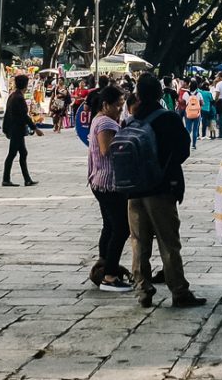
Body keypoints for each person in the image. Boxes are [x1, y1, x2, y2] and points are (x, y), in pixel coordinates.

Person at [127, 73, 206, 309]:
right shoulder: (168, 119)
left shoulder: (131, 120)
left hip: (134, 190)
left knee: (139, 241)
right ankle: (179, 290)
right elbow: (183, 151)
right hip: (161, 188)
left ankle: (142, 289)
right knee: (168, 241)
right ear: (161, 94)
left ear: (138, 95)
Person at [89, 84, 133, 291]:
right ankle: (109, 275)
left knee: (110, 225)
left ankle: (103, 263)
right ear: (106, 104)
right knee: (121, 228)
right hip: (109, 183)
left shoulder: (99, 119)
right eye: (117, 105)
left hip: (99, 181)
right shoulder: (106, 122)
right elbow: (107, 150)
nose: (120, 109)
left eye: (122, 105)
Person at [2, 73, 42, 187]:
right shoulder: (19, 98)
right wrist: (35, 128)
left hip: (14, 129)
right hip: (17, 129)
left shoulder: (13, 96)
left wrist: (5, 129)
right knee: (12, 154)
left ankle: (27, 179)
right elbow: (24, 116)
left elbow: (7, 114)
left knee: (22, 153)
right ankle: (6, 179)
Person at [181, 79, 203, 149]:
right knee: (195, 129)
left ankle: (186, 143)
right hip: (197, 113)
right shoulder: (199, 94)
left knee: (188, 128)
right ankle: (194, 145)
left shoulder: (186, 93)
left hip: (188, 113)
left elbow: (183, 102)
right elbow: (202, 103)